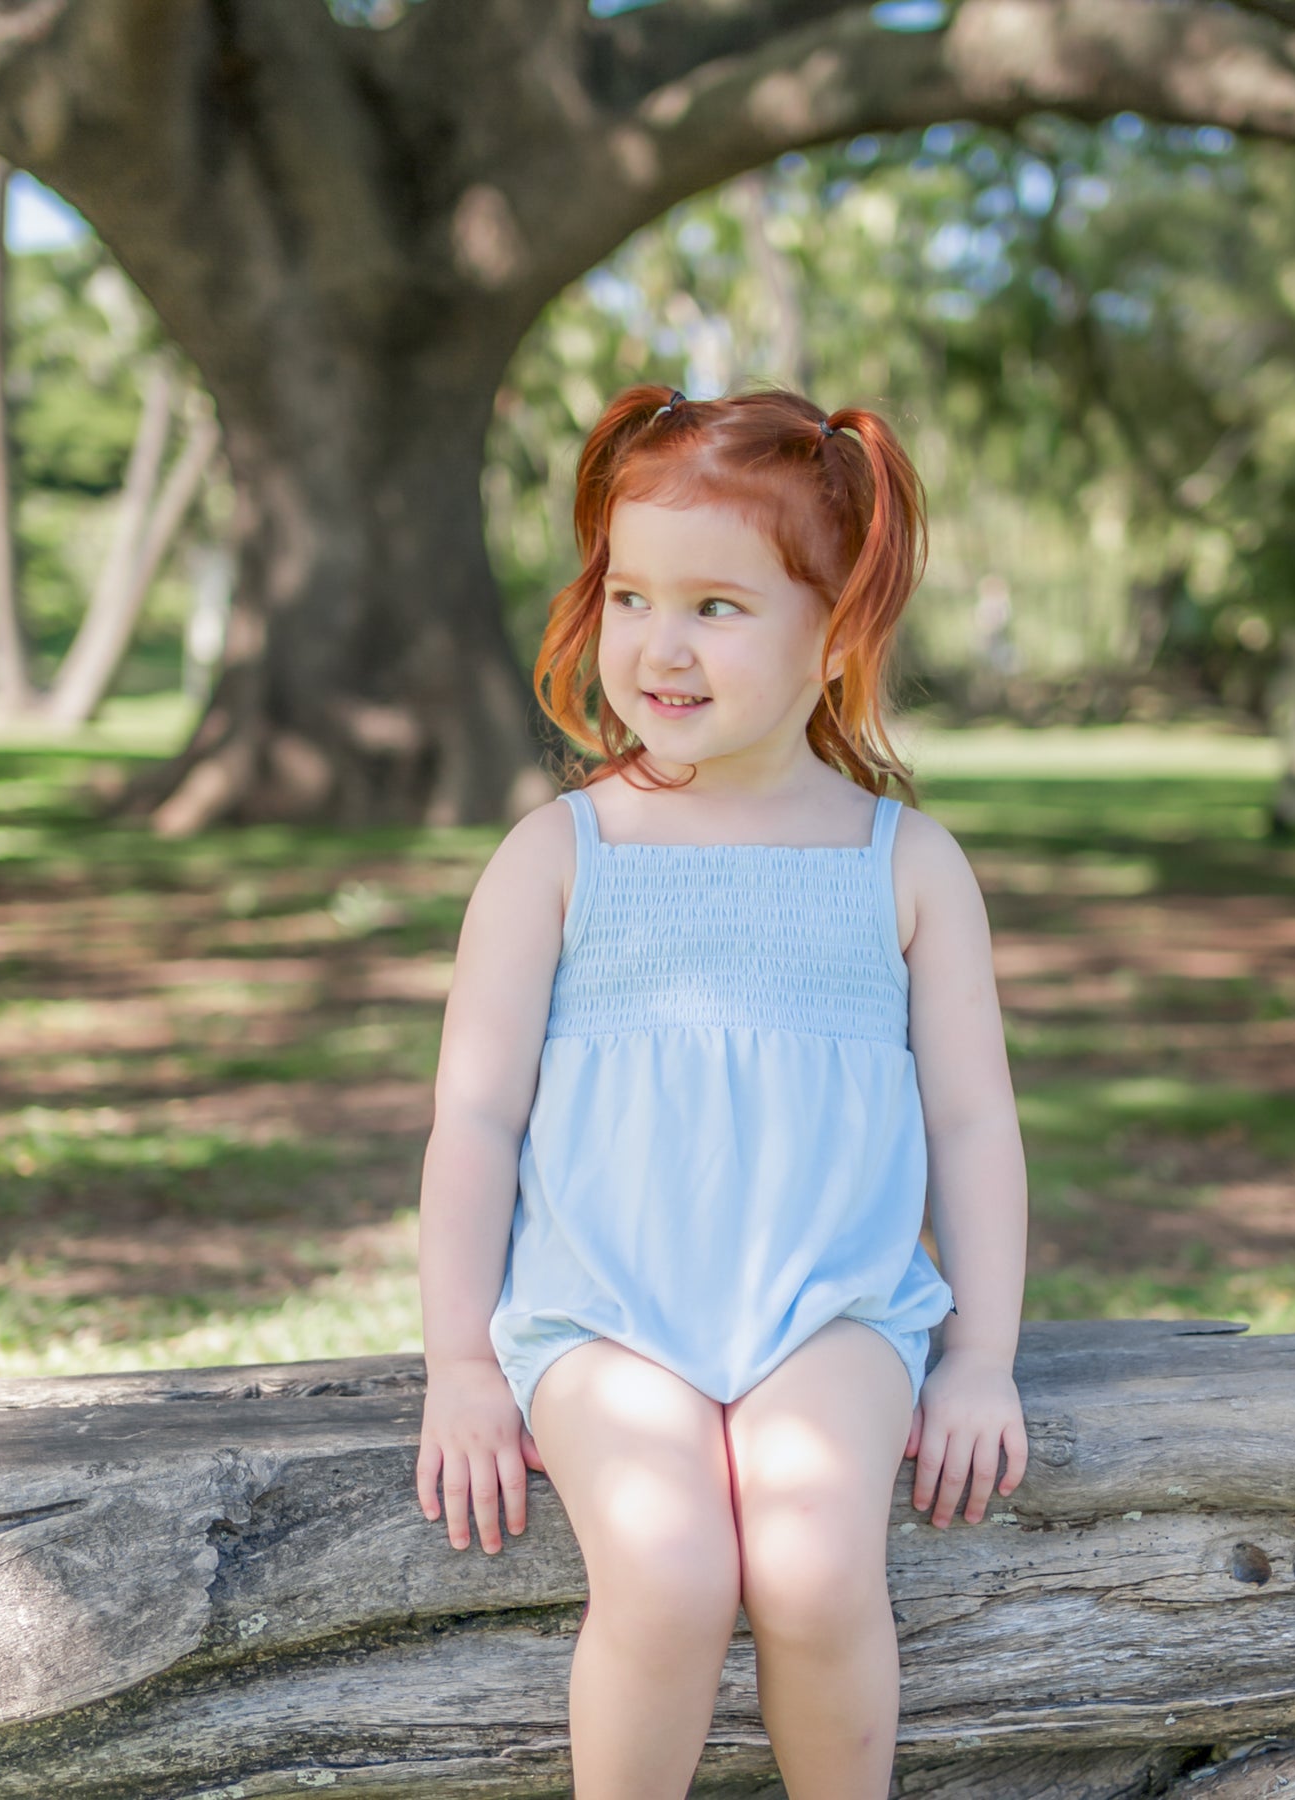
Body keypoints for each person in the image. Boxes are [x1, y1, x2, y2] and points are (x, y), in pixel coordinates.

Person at [414, 383, 1029, 1800]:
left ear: (837, 638)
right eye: (631, 595)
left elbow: (970, 1123)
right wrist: (459, 1362)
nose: (658, 644)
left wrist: (983, 1356)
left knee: (815, 1569)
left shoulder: (906, 863)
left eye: (716, 606)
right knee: (674, 1571)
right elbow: (477, 1122)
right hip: (606, 1316)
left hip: (832, 1307)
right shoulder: (560, 854)